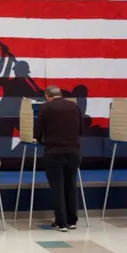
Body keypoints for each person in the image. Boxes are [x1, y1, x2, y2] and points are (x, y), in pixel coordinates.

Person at [34, 86, 83, 232]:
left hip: (54, 152)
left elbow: (38, 131)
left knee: (57, 187)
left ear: (47, 95)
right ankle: (72, 220)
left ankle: (61, 222)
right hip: (74, 152)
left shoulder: (46, 107)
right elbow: (81, 129)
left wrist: (42, 140)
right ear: (60, 94)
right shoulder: (74, 107)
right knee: (71, 186)